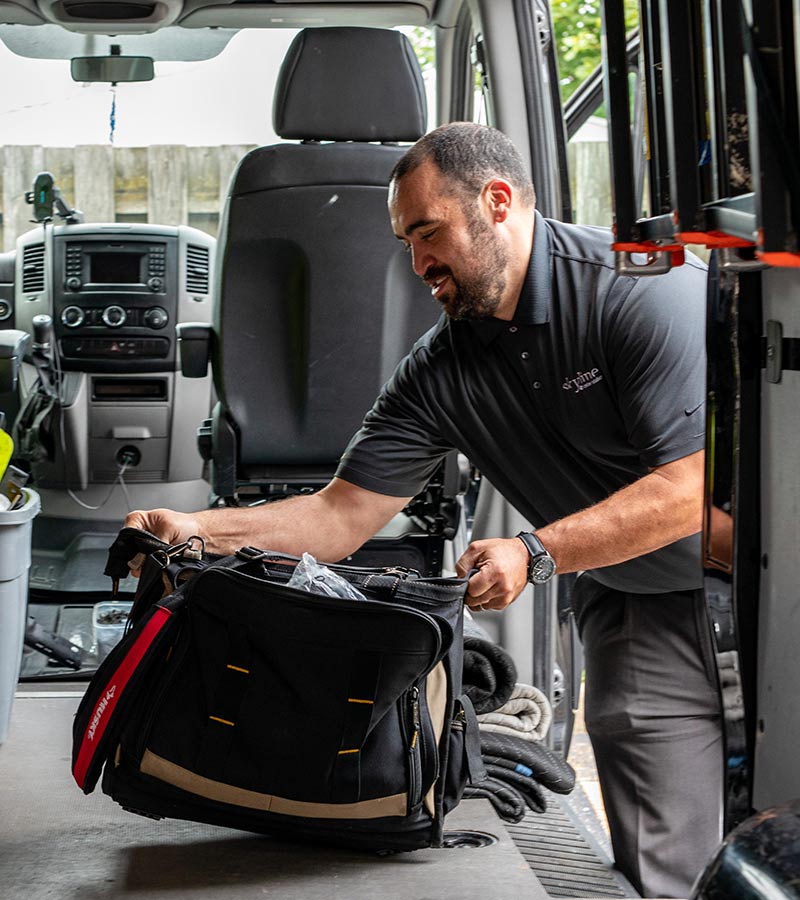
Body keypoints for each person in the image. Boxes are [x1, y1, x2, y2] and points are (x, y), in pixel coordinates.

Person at [126, 122, 722, 898]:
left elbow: (689, 487)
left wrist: (533, 553)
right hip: (637, 602)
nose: (417, 265)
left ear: (497, 202)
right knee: (665, 874)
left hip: (766, 584)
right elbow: (339, 516)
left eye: (427, 232)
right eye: (405, 242)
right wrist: (196, 531)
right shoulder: (440, 372)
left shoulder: (638, 287)